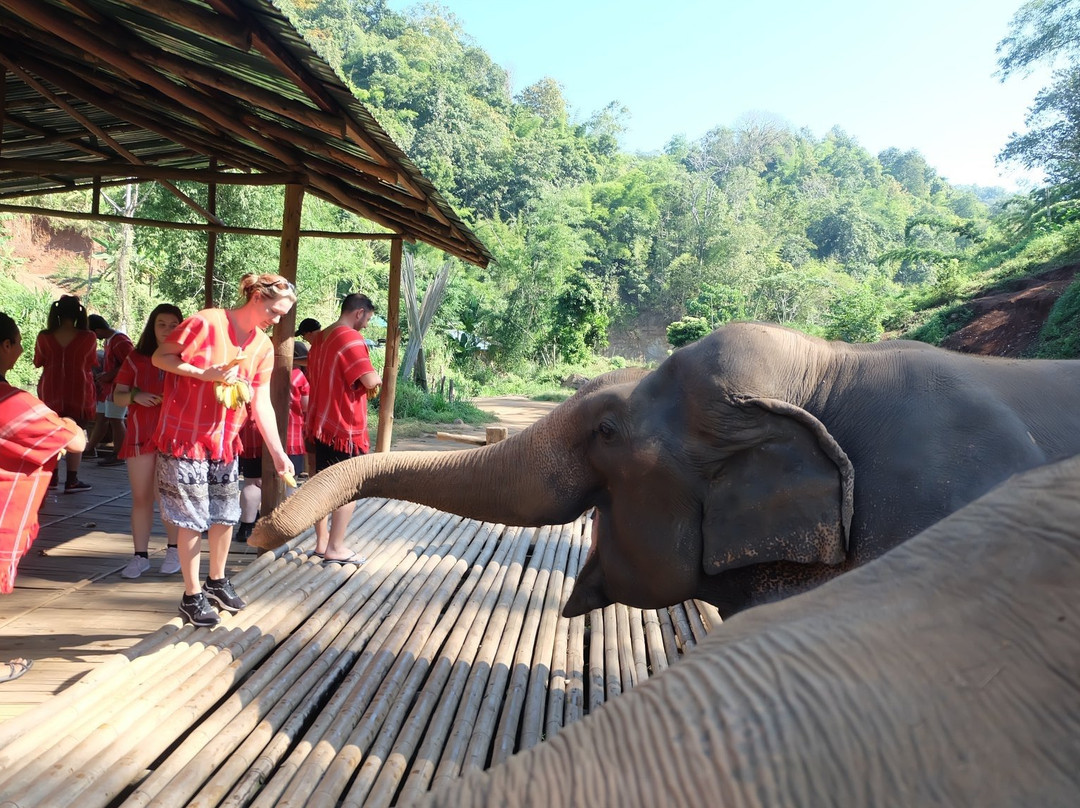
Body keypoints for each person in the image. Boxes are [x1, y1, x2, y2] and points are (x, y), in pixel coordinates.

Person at [152, 273, 296, 626]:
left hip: (224, 440)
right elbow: (161, 357)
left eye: (282, 315)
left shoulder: (262, 346)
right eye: (274, 311)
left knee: (225, 513)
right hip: (184, 438)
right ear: (256, 297)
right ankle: (191, 595)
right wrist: (204, 374)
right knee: (191, 518)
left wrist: (278, 453)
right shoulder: (206, 322)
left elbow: (261, 401)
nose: (276, 320)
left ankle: (216, 580)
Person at [0, 312, 86, 682]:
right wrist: (65, 423)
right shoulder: (14, 403)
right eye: (17, 342)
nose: (21, 348)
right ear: (4, 346)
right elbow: (76, 440)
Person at [304, 293, 380, 564]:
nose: (367, 326)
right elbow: (369, 380)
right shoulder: (350, 338)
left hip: (320, 424)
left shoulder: (320, 339)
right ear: (358, 313)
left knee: (321, 484)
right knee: (348, 487)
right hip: (344, 428)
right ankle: (336, 547)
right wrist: (378, 376)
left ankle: (322, 543)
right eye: (368, 319)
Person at [112, 304, 184, 579]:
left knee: (168, 497)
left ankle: (174, 550)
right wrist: (134, 397)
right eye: (161, 324)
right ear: (152, 327)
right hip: (140, 435)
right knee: (141, 497)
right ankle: (140, 557)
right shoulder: (136, 358)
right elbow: (118, 395)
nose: (167, 329)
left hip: (175, 438)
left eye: (173, 324)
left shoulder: (187, 358)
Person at [235, 356, 310, 543]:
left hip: (253, 434)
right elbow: (306, 405)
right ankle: (287, 526)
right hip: (288, 437)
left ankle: (246, 527)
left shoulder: (251, 372)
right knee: (288, 482)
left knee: (252, 483)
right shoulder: (297, 375)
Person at [33, 295, 95, 493]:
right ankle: (72, 480)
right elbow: (91, 362)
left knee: (51, 432)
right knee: (75, 430)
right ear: (78, 314)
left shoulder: (44, 337)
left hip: (50, 390)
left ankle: (51, 477)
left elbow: (38, 361)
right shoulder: (88, 337)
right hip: (80, 391)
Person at [85, 314, 133, 465]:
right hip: (109, 388)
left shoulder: (120, 341)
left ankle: (120, 454)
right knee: (102, 418)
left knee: (116, 420)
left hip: (119, 387)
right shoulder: (109, 341)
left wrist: (109, 375)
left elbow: (131, 363)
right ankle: (90, 449)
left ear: (97, 331)